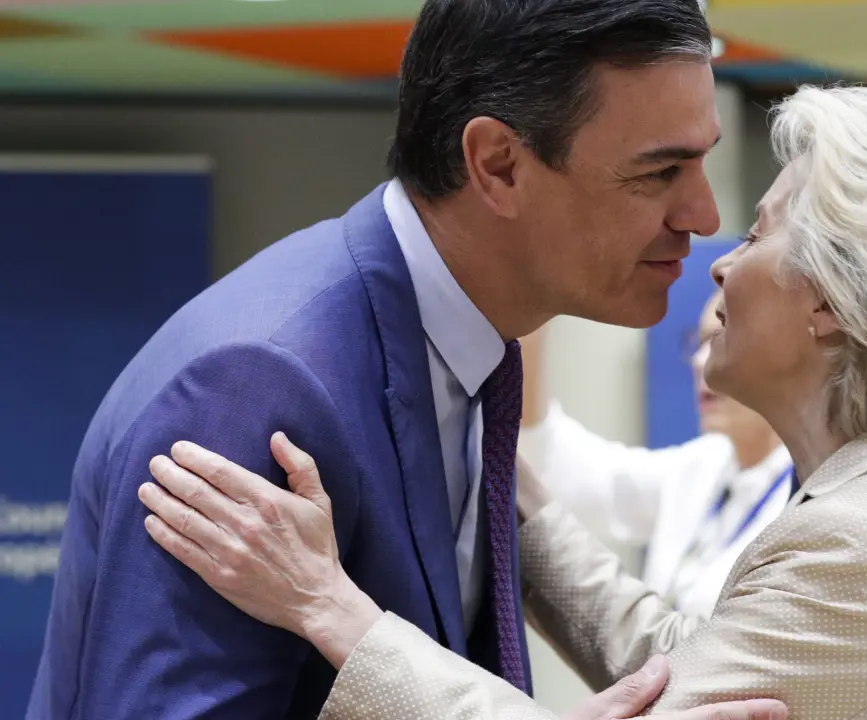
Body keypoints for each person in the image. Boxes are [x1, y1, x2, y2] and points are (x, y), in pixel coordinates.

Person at [137, 84, 867, 719]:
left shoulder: (863, 545)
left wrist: (331, 608)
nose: (723, 261)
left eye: (758, 234)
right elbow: (679, 664)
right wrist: (508, 489)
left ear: (837, 299)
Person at [24, 1, 751, 718]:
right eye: (661, 171)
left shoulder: (467, 351)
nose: (706, 216)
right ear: (498, 165)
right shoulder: (257, 383)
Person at [519, 290, 791, 617]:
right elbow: (574, 471)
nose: (699, 361)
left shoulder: (817, 495)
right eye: (699, 342)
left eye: (721, 340)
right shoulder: (705, 465)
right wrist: (528, 329)